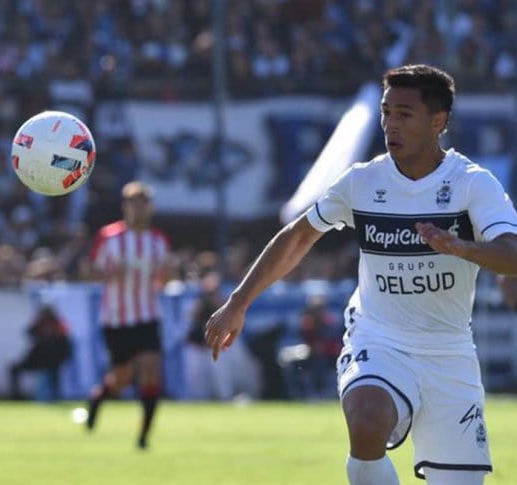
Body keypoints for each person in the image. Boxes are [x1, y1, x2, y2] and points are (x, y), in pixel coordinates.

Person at [205, 64, 517, 484]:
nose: (390, 123)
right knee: (368, 420)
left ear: (438, 121)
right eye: (387, 112)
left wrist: (463, 248)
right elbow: (298, 237)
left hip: (449, 353)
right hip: (378, 337)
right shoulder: (363, 181)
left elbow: (511, 254)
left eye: (404, 114)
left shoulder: (472, 184)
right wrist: (238, 303)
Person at [84, 181, 170, 449]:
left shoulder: (158, 241)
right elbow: (88, 272)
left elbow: (163, 280)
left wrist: (168, 274)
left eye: (143, 203)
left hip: (147, 316)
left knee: (150, 369)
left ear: (150, 208)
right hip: (116, 319)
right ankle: (98, 400)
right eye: (134, 203)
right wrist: (110, 275)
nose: (139, 208)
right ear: (125, 207)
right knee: (120, 380)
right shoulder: (108, 237)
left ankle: (143, 436)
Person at [184, 270, 234, 400]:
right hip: (197, 343)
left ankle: (225, 398)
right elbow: (192, 319)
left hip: (213, 344)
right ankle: (196, 400)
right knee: (196, 377)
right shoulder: (197, 298)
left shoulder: (222, 301)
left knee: (220, 375)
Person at [8, 304, 73, 401]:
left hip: (54, 360)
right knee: (14, 369)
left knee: (53, 374)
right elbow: (29, 332)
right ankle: (17, 397)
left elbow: (66, 343)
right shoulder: (39, 323)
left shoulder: (59, 325)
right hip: (38, 358)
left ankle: (55, 397)